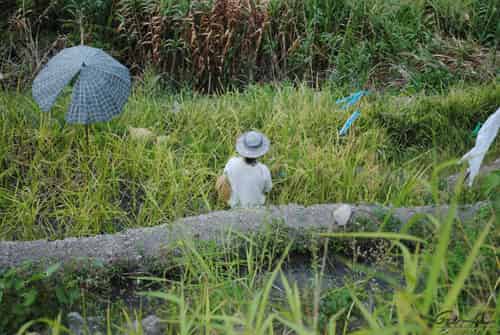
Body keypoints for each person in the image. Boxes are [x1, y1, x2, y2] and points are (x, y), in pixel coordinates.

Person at [216, 131, 272, 208]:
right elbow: (267, 189)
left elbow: (225, 177)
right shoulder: (264, 170)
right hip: (256, 208)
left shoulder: (231, 163)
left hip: (234, 207)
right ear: (260, 152)